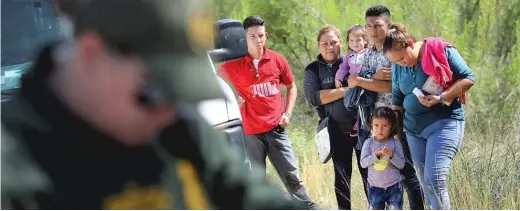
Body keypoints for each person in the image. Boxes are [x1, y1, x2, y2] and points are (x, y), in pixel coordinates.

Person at [0, 0, 307, 209]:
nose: (170, 112)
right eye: (158, 91)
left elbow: (251, 197)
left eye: (183, 94)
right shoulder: (15, 169)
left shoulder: (177, 129)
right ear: (92, 54)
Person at [217, 15, 316, 209]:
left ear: (266, 35)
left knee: (292, 177)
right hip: (250, 133)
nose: (257, 40)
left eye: (260, 35)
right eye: (252, 36)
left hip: (276, 129)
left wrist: (287, 114)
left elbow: (292, 86)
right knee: (256, 182)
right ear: (244, 38)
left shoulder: (277, 60)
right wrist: (229, 95)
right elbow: (211, 82)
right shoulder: (233, 65)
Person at [384, 23, 476, 210]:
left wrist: (441, 97)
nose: (401, 64)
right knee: (425, 183)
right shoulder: (397, 66)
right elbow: (397, 98)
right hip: (413, 130)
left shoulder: (438, 50)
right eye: (396, 62)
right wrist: (393, 129)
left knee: (434, 179)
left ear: (409, 43)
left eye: (402, 58)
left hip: (444, 123)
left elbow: (468, 78)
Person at [347, 5, 425, 210]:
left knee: (406, 169)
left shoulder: (394, 50)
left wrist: (360, 80)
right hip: (378, 121)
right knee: (376, 170)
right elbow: (365, 82)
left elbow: (393, 86)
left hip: (398, 118)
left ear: (388, 25)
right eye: (368, 26)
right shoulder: (369, 53)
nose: (372, 30)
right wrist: (367, 78)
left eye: (377, 25)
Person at [303, 25, 368, 210]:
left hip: (362, 127)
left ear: (341, 43)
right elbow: (315, 97)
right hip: (335, 130)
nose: (329, 47)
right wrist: (348, 90)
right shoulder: (312, 70)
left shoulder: (352, 61)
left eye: (333, 42)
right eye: (325, 43)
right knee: (341, 176)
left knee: (369, 174)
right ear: (318, 45)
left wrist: (332, 92)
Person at [360, 107, 406, 210]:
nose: (380, 129)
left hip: (394, 187)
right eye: (376, 125)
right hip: (374, 188)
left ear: (392, 126)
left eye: (385, 126)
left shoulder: (395, 143)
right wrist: (375, 156)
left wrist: (391, 155)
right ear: (371, 125)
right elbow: (363, 163)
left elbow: (401, 165)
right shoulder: (369, 143)